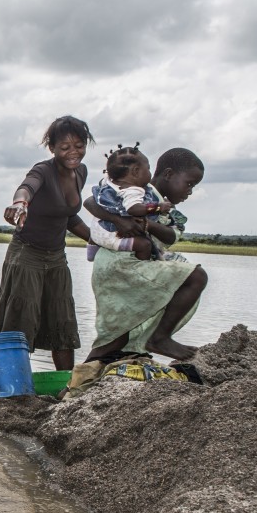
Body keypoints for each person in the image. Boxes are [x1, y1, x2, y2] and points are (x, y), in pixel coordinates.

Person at [82, 147, 207, 362]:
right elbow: (91, 202)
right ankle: (160, 338)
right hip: (118, 265)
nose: (190, 192)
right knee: (196, 277)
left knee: (117, 339)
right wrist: (120, 220)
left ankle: (73, 388)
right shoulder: (131, 187)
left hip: (132, 265)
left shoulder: (168, 210)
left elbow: (171, 237)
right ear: (168, 174)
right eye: (189, 184)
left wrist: (147, 223)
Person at [0, 116, 94, 371]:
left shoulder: (81, 171)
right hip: (26, 254)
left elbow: (68, 216)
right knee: (20, 321)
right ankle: (13, 382)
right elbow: (26, 188)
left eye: (79, 145)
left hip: (57, 256)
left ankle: (67, 383)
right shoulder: (43, 170)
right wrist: (20, 204)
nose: (73, 152)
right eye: (65, 147)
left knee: (63, 319)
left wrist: (98, 240)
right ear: (52, 148)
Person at [86, 144, 173, 262]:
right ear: (136, 172)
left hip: (96, 233)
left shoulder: (108, 184)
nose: (150, 173)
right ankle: (139, 266)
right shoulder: (133, 191)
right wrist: (159, 207)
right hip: (112, 235)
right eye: (148, 168)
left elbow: (90, 201)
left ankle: (91, 255)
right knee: (145, 245)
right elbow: (134, 209)